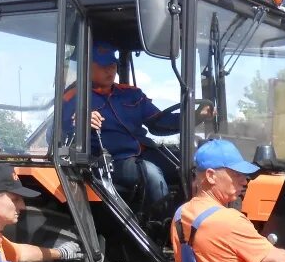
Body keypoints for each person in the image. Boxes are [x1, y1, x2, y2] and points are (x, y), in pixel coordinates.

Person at [64, 42, 209, 214]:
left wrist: (197, 116)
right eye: (103, 66)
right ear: (87, 67)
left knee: (192, 164)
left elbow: (158, 123)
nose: (110, 70)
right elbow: (57, 132)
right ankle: (162, 227)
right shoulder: (73, 98)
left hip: (143, 152)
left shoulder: (131, 94)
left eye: (112, 65)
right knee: (151, 174)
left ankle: (194, 216)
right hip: (109, 162)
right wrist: (79, 122)